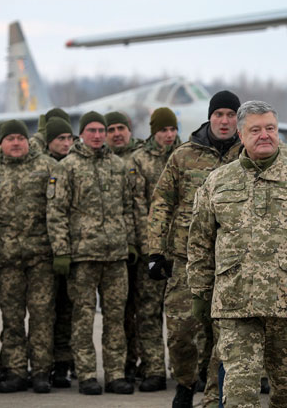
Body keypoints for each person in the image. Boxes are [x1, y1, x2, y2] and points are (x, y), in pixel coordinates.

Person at [187, 100, 287, 408]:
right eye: (255, 130)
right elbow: (200, 241)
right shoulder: (218, 182)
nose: (264, 135)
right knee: (239, 390)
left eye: (270, 128)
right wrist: (199, 292)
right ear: (241, 136)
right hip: (235, 301)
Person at [147, 91, 242, 408]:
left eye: (231, 115)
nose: (225, 121)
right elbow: (162, 203)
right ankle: (186, 383)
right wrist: (156, 251)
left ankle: (217, 393)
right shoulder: (184, 156)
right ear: (210, 117)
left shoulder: (251, 153)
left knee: (226, 334)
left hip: (234, 261)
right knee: (180, 332)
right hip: (188, 261)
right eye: (219, 115)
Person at [47, 111, 137, 395]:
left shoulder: (118, 165)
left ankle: (115, 373)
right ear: (81, 134)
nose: (98, 135)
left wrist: (130, 242)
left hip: (115, 257)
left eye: (102, 130)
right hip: (82, 257)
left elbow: (128, 208)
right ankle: (86, 373)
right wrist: (62, 251)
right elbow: (56, 212)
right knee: (82, 318)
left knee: (115, 319)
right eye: (92, 130)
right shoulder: (67, 167)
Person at [0, 119, 57, 394]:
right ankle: (16, 370)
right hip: (6, 259)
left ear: (28, 140)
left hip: (41, 257)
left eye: (21, 137)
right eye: (11, 139)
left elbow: (58, 211)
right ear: (2, 143)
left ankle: (42, 371)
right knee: (12, 318)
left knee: (42, 316)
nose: (17, 143)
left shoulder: (46, 167)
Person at [127, 107, 181, 392]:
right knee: (148, 313)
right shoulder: (139, 160)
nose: (169, 135)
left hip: (182, 250)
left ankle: (184, 370)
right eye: (163, 131)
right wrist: (146, 247)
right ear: (153, 132)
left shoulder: (185, 156)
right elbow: (136, 207)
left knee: (182, 316)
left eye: (172, 130)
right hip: (152, 248)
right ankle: (154, 369)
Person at [104, 110, 143, 381]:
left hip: (141, 246)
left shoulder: (141, 158)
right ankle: (125, 364)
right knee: (119, 312)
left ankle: (140, 361)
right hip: (112, 250)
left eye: (121, 128)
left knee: (142, 310)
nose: (117, 133)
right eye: (111, 129)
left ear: (130, 130)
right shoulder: (99, 161)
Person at [42, 116, 76, 387]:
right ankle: (43, 365)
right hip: (42, 253)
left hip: (71, 252)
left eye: (69, 138)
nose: (66, 144)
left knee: (67, 312)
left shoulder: (73, 166)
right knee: (46, 314)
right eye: (59, 139)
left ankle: (65, 363)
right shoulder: (42, 166)